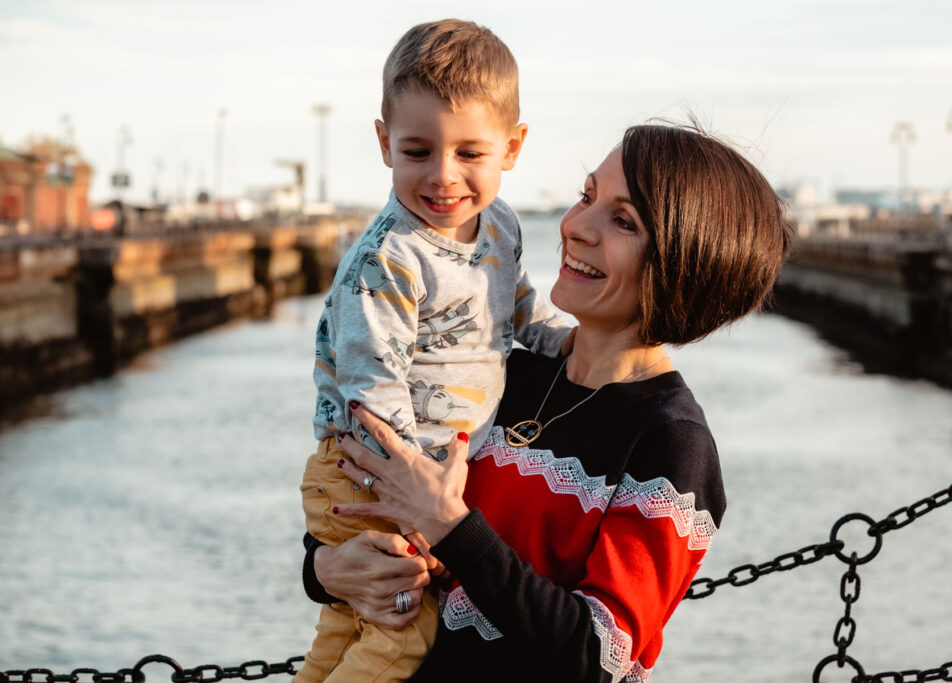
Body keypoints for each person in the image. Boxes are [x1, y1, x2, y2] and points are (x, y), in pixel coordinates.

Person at [304, 122, 793, 681]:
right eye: (587, 195)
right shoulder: (502, 376)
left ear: (683, 266)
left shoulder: (670, 440)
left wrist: (451, 527)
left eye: (622, 220)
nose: (576, 226)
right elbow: (358, 513)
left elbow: (599, 656)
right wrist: (327, 569)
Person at [298, 18, 571, 683]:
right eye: (417, 151)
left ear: (512, 147)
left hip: (405, 470)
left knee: (347, 624)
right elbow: (373, 386)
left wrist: (575, 346)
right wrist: (422, 501)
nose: (444, 177)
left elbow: (518, 308)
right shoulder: (390, 258)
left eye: (470, 154)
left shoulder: (501, 226)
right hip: (375, 467)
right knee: (401, 632)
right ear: (384, 143)